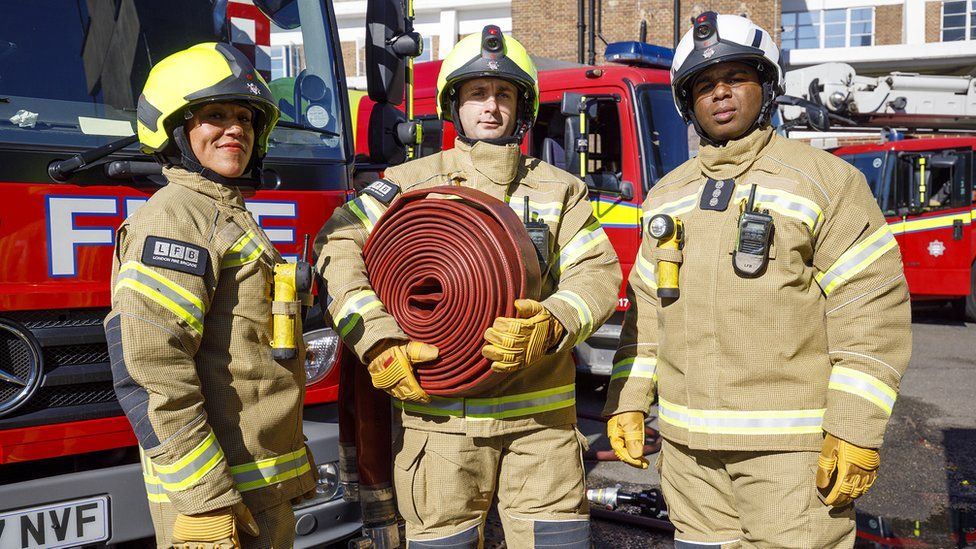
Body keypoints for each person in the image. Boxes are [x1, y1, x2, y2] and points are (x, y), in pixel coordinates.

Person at [603, 12, 912, 549]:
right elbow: (648, 316)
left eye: (736, 79)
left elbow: (870, 312)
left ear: (766, 88)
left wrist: (855, 427)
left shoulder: (824, 181)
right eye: (704, 85)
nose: (720, 94)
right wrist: (626, 401)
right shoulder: (667, 195)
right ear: (687, 104)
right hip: (688, 457)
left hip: (790, 461)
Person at [315, 26, 620, 548]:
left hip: (540, 429)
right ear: (452, 104)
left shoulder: (560, 188)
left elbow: (596, 274)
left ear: (522, 109)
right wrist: (377, 337)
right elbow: (334, 246)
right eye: (476, 93)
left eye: (504, 94)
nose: (491, 107)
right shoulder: (407, 183)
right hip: (441, 433)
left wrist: (555, 322)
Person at [105, 42, 315, 548]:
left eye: (244, 116)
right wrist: (205, 500)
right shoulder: (176, 217)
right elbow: (152, 370)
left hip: (256, 484)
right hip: (220, 498)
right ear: (175, 130)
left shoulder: (222, 209)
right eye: (214, 115)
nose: (236, 128)